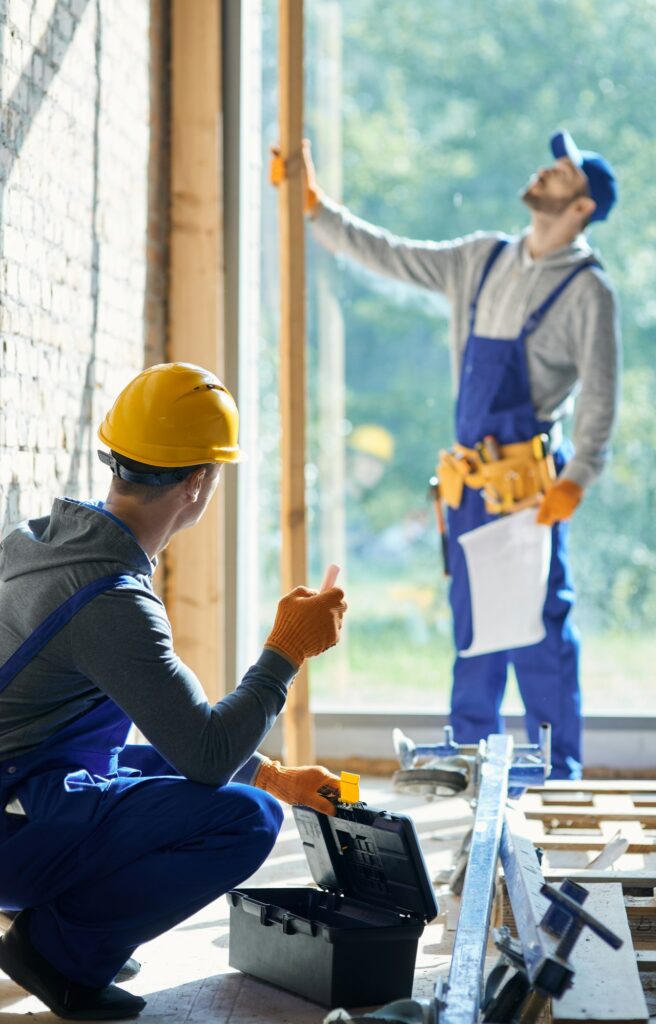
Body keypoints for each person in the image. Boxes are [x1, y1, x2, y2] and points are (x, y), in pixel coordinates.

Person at [0, 362, 347, 1020]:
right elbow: (208, 756)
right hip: (11, 818)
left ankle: (70, 916)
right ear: (199, 482)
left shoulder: (43, 541)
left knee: (150, 765)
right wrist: (287, 651)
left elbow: (165, 726)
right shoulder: (110, 598)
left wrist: (276, 775)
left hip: (22, 783)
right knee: (244, 820)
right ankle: (56, 951)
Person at [301, 130, 620, 779]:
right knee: (475, 627)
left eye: (561, 171)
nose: (544, 170)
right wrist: (316, 210)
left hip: (531, 487)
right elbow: (393, 255)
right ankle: (470, 766)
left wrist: (578, 477)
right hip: (470, 484)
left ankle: (557, 775)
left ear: (584, 205)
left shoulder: (590, 292)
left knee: (539, 632)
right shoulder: (482, 259)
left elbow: (601, 396)